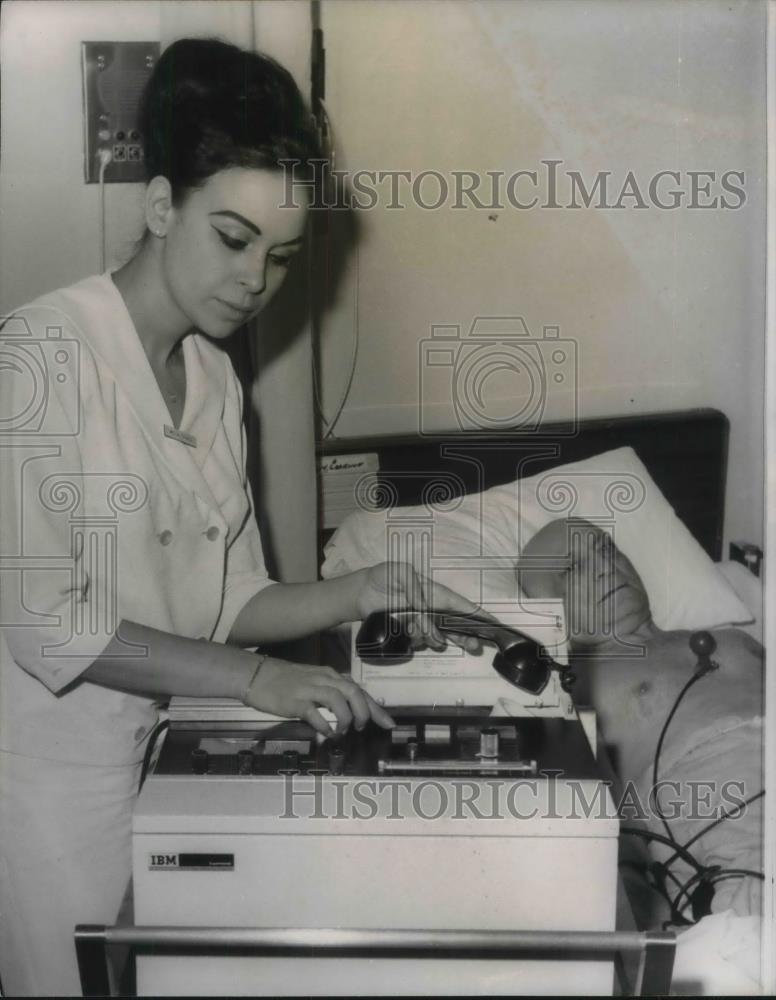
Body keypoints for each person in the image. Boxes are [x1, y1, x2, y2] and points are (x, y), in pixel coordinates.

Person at [0, 39, 481, 996]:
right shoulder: (39, 356)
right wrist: (256, 680)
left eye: (282, 254)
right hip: (36, 781)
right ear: (159, 204)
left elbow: (224, 599)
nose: (258, 277)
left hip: (156, 750)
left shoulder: (217, 379)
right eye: (231, 237)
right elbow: (42, 619)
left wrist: (358, 591)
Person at [516, 517, 764, 925]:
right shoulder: (570, 686)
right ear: (545, 609)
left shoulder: (736, 640)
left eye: (607, 549)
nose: (603, 565)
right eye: (572, 567)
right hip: (729, 805)